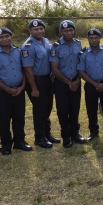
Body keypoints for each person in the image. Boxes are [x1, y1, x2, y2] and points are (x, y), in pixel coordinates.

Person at [0, 28, 31, 155]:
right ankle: (6, 144)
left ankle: (20, 141)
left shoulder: (19, 51)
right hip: (2, 93)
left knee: (19, 117)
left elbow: (24, 70)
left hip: (19, 90)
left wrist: (22, 86)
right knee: (4, 119)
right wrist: (7, 89)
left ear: (11, 36)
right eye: (1, 37)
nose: (4, 39)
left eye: (7, 36)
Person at [22, 19, 58, 148]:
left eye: (41, 28)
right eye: (36, 29)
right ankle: (39, 137)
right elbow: (28, 70)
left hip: (48, 79)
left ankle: (47, 134)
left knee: (47, 108)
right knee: (40, 110)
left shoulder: (45, 41)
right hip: (37, 81)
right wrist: (33, 88)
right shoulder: (28, 46)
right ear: (30, 31)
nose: (39, 31)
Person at [50, 20, 85, 148]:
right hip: (61, 83)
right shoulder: (56, 46)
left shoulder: (78, 44)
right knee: (63, 110)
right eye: (65, 31)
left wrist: (77, 81)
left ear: (74, 31)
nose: (69, 33)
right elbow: (54, 69)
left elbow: (81, 64)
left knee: (75, 108)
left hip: (76, 80)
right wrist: (68, 82)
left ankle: (75, 133)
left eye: (71, 30)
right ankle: (66, 136)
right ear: (61, 31)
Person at [77, 28, 103, 140]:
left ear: (100, 38)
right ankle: (93, 131)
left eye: (96, 38)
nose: (94, 40)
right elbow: (81, 71)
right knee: (91, 109)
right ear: (88, 39)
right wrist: (95, 84)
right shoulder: (83, 53)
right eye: (91, 38)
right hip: (90, 85)